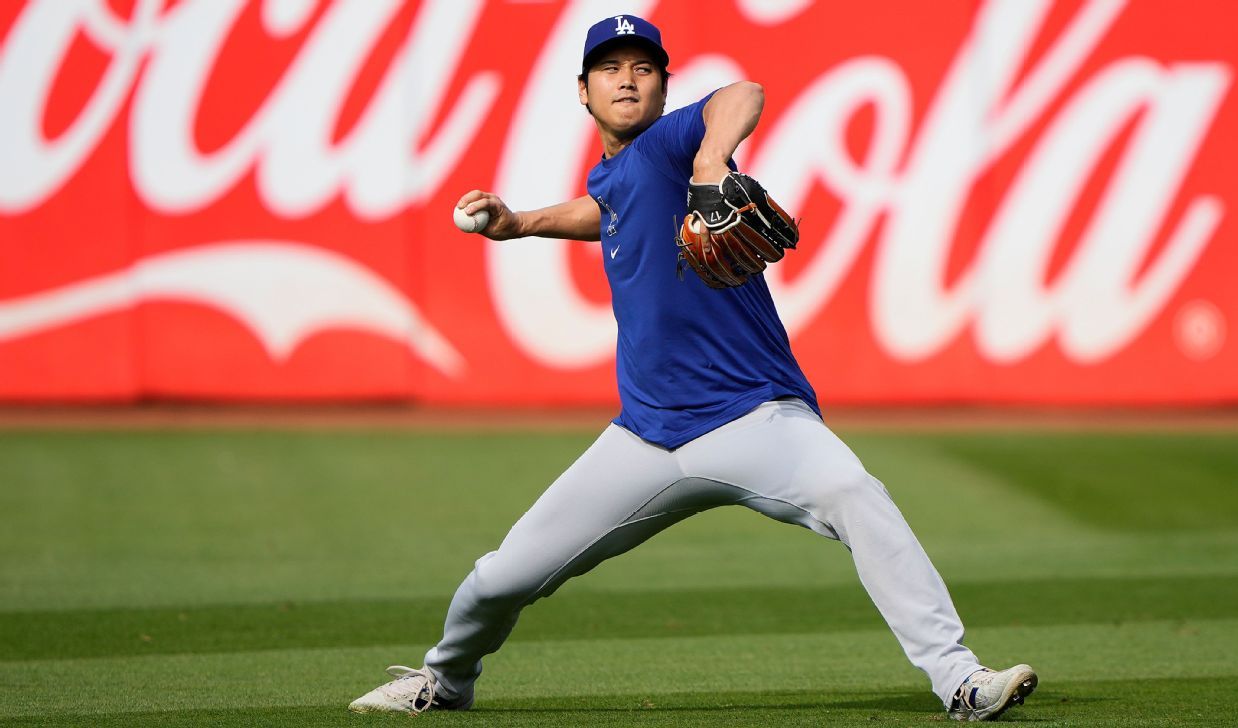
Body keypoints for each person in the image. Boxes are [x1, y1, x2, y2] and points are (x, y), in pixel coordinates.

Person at [350, 14, 1036, 722]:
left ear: (662, 87)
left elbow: (742, 92)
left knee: (855, 495)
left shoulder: (673, 145)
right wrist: (521, 222)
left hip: (755, 419)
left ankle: (958, 679)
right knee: (499, 577)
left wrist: (711, 162)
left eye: (642, 67)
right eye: (609, 68)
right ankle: (446, 680)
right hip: (644, 439)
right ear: (582, 92)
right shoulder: (619, 175)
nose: (626, 77)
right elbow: (606, 207)